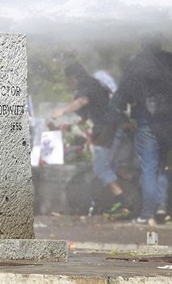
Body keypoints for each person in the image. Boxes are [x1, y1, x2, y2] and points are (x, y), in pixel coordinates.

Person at [111, 34, 172, 225]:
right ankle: (162, 206)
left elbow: (121, 96)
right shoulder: (171, 61)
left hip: (146, 122)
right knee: (161, 166)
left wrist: (122, 114)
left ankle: (147, 213)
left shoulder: (137, 63)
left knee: (149, 169)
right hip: (169, 124)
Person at [52, 62, 131, 218]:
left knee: (101, 168)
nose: (67, 84)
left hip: (106, 129)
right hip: (113, 126)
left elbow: (82, 101)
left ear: (74, 77)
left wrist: (62, 110)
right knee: (112, 165)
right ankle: (138, 185)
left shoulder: (87, 84)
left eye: (68, 80)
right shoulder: (93, 83)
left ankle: (124, 203)